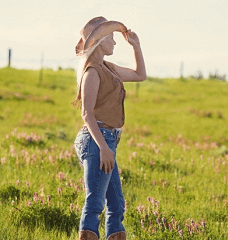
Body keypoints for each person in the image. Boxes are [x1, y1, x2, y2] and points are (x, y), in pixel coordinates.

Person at [72, 16, 146, 240]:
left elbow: (139, 75)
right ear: (101, 41)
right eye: (112, 38)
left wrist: (137, 46)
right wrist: (103, 147)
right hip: (97, 140)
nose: (115, 42)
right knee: (95, 202)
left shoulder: (108, 67)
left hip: (107, 139)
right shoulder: (92, 71)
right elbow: (87, 113)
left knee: (116, 203)